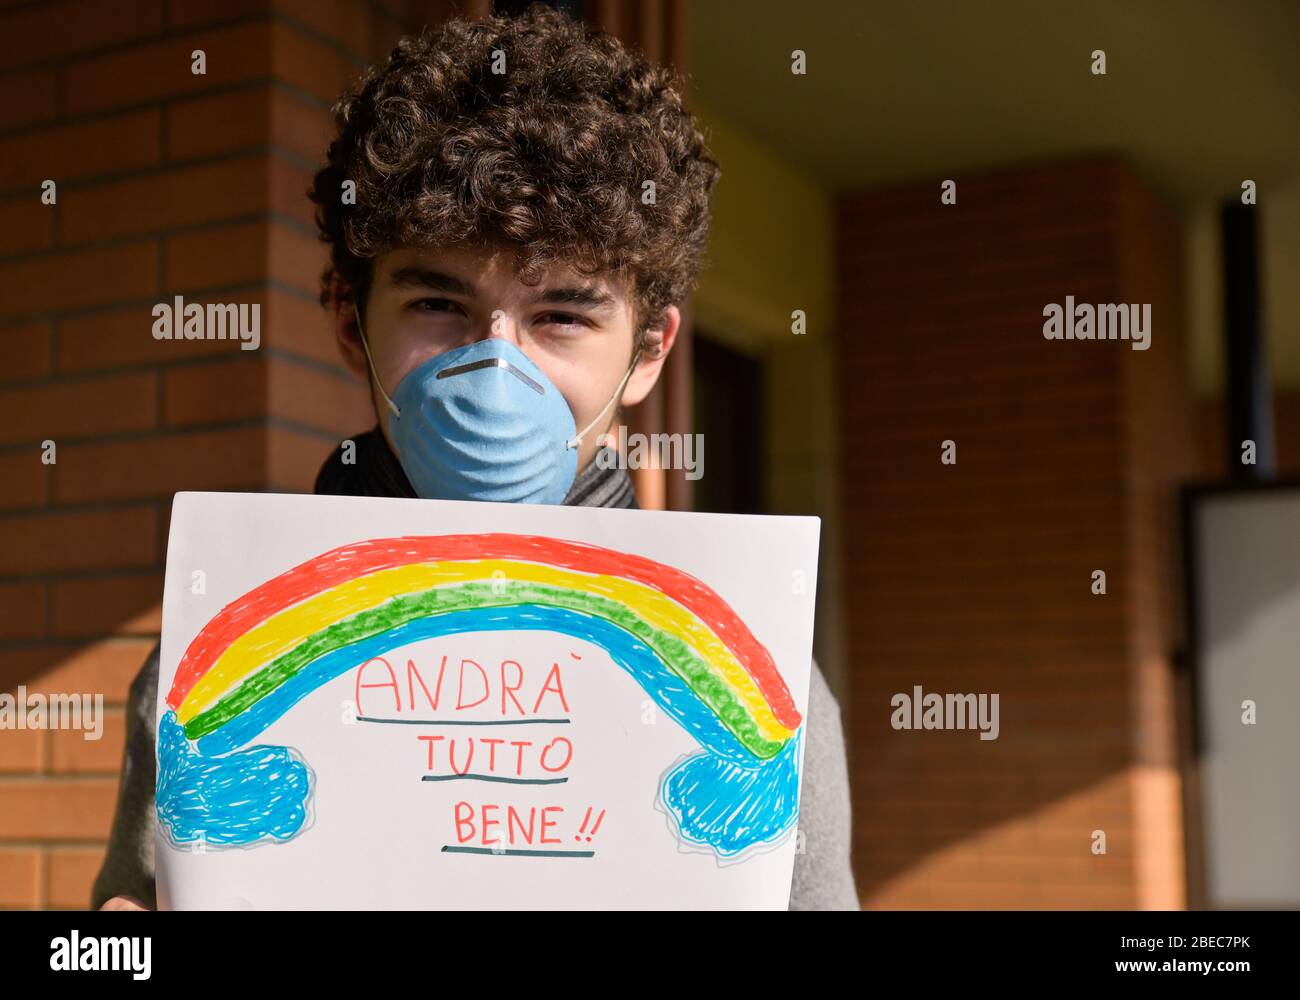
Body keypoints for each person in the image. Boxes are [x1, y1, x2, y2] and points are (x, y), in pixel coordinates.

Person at [93, 4, 859, 911]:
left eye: (563, 315)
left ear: (650, 352)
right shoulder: (207, 662)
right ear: (350, 322)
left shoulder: (757, 688)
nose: (498, 369)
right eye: (437, 305)